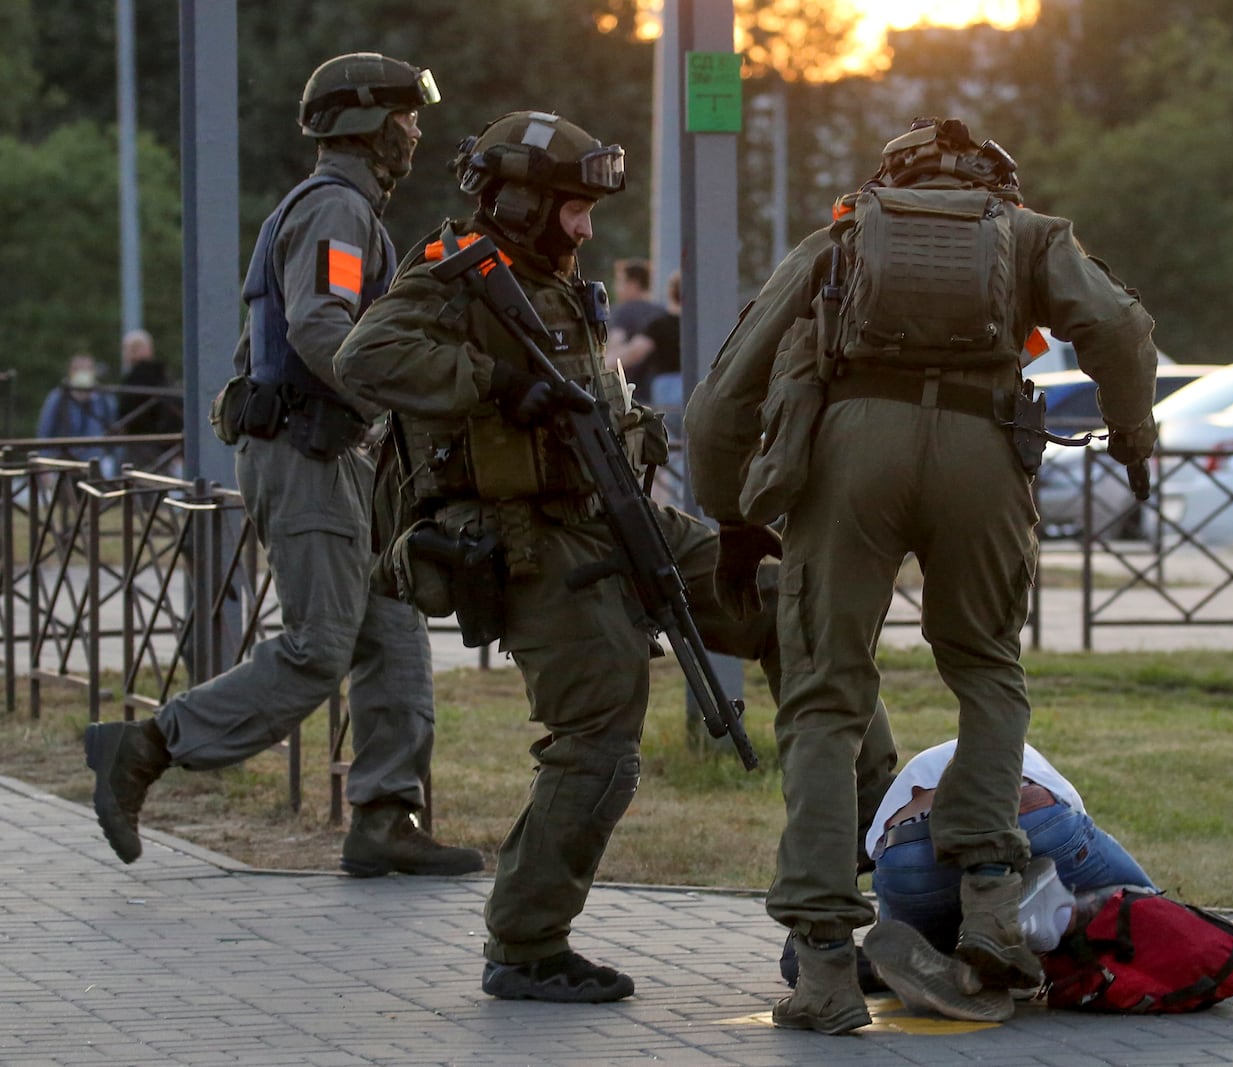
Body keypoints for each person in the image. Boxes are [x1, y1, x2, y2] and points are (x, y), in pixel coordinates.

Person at [329, 109, 900, 1005]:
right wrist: (494, 384)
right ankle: (525, 944)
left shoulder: (546, 277)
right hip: (532, 541)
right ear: (518, 201)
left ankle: (840, 889)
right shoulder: (453, 278)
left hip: (623, 515)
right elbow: (364, 355)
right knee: (600, 741)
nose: (588, 227)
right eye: (571, 208)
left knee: (798, 602)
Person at [685, 115, 1159, 1034]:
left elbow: (721, 398)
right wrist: (1134, 434)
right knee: (986, 672)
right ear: (993, 189)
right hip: (983, 456)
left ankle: (823, 965)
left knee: (825, 695)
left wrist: (735, 514)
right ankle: (991, 909)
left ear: (891, 183)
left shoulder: (840, 240)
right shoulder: (1029, 236)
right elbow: (1119, 325)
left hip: (849, 457)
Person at [82, 52, 483, 881]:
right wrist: (409, 393)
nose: (415, 130)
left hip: (338, 454)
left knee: (394, 628)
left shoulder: (351, 210)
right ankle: (147, 745)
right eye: (405, 116)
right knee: (319, 645)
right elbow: (321, 327)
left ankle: (384, 815)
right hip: (305, 451)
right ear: (365, 123)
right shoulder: (336, 210)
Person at [859, 739, 1157, 1020]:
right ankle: (1049, 913)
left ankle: (948, 963)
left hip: (905, 847)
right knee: (1147, 903)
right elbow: (1071, 819)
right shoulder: (1019, 747)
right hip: (1027, 809)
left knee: (913, 939)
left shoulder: (919, 769)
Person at [37, 353, 119, 478]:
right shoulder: (57, 398)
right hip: (63, 466)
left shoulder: (105, 399)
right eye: (78, 369)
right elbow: (44, 434)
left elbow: (114, 434)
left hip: (97, 467)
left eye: (87, 369)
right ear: (70, 372)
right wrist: (44, 468)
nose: (83, 373)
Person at [606, 269, 680, 405]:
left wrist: (601, 368)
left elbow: (632, 351)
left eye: (620, 282)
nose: (616, 287)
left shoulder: (659, 323)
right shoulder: (660, 310)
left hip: (657, 390)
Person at [116, 329, 183, 472]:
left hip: (141, 442)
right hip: (164, 443)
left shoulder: (137, 378)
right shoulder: (162, 376)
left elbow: (126, 409)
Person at [608, 257, 665, 345]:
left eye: (620, 282)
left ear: (633, 284)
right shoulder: (662, 311)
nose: (616, 288)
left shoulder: (624, 311)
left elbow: (616, 341)